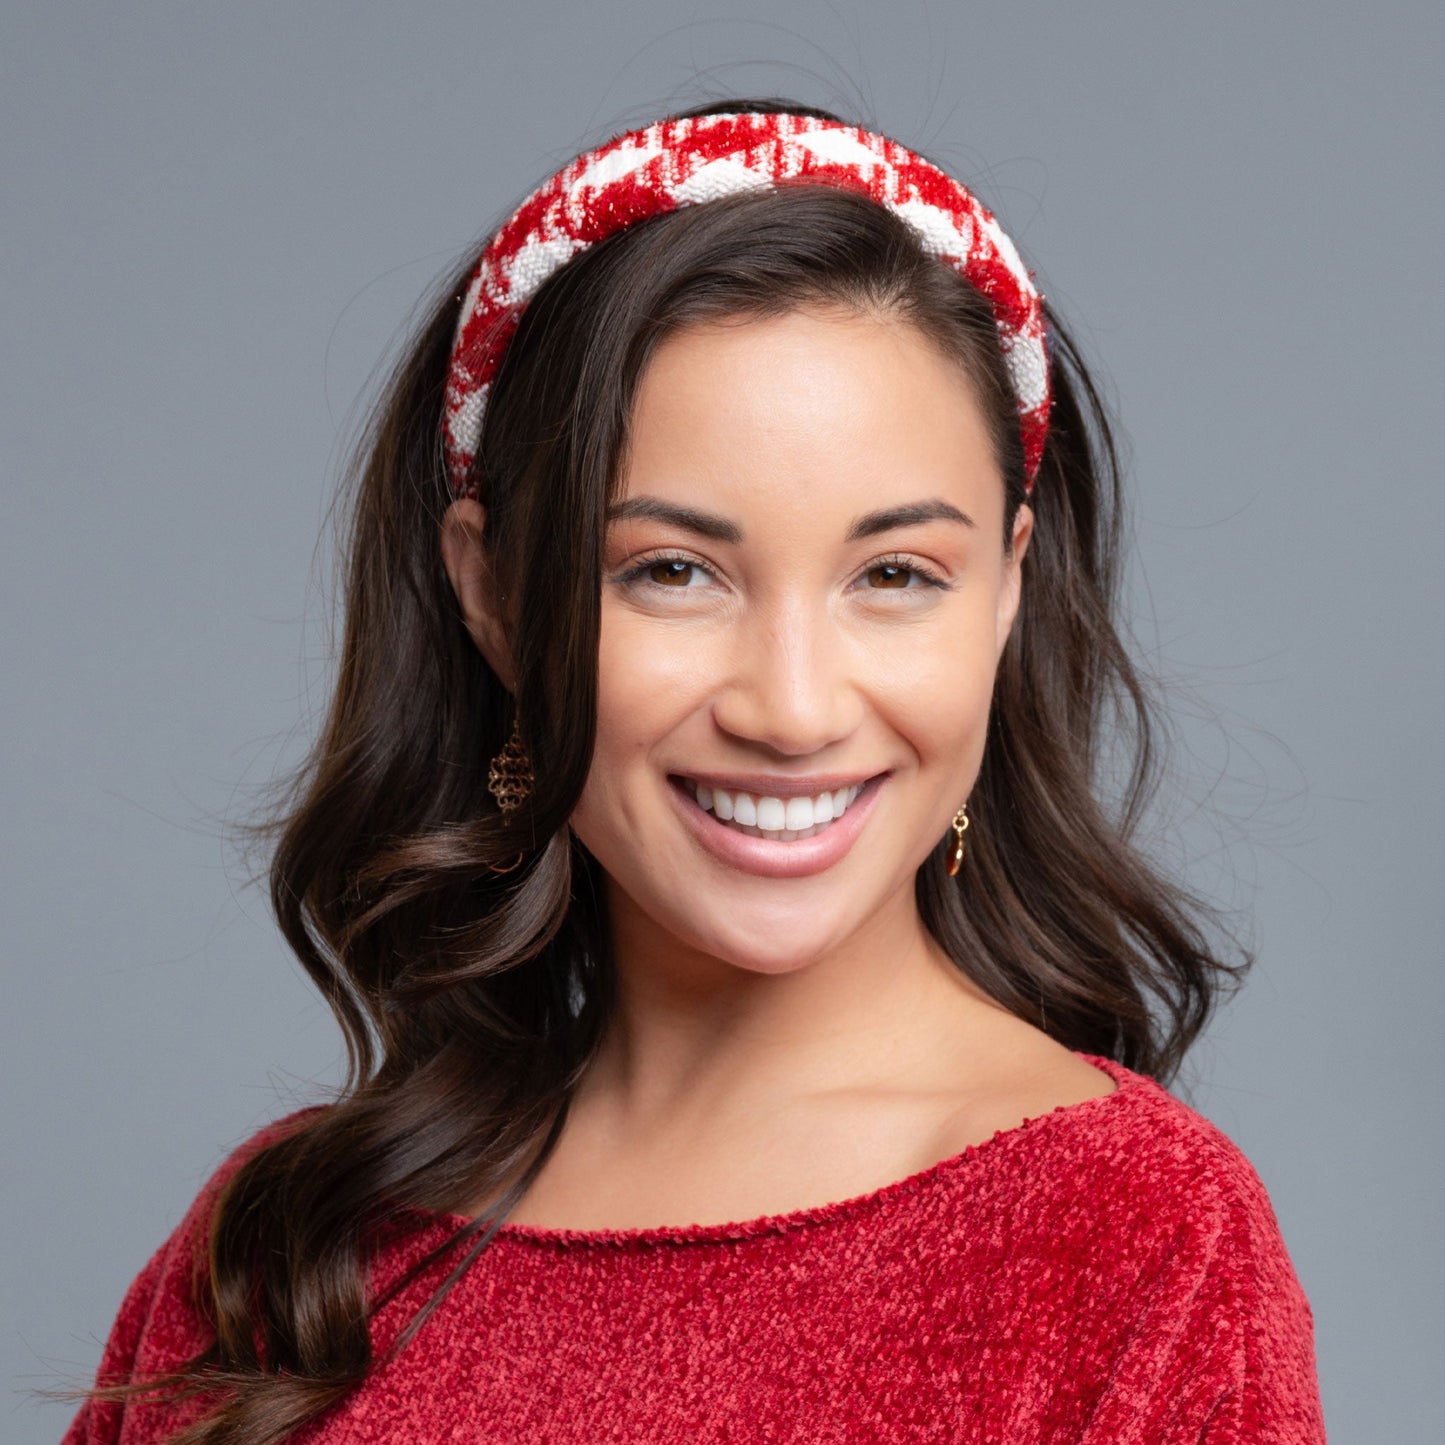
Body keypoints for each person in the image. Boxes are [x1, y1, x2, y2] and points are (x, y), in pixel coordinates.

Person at [61, 99, 1327, 1444]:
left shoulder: (1131, 1235)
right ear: (490, 590)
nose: (789, 708)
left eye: (893, 574)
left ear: (1008, 589)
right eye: (671, 571)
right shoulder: (286, 1247)